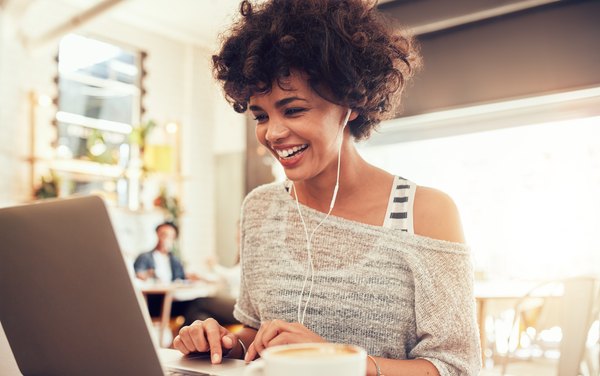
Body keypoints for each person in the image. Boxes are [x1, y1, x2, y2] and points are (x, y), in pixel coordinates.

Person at [173, 1, 481, 375]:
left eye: (294, 109)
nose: (273, 133)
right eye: (261, 115)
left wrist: (337, 361)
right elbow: (257, 336)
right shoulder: (260, 209)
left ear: (351, 102)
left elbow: (456, 367)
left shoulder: (425, 213)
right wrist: (222, 342)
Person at [134, 222, 239, 327]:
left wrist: (193, 278)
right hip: (155, 301)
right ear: (157, 234)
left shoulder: (174, 260)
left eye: (171, 236)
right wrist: (146, 274)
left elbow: (181, 278)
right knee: (198, 308)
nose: (166, 239)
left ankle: (186, 339)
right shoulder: (145, 257)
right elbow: (137, 276)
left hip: (173, 301)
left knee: (197, 312)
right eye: (164, 235)